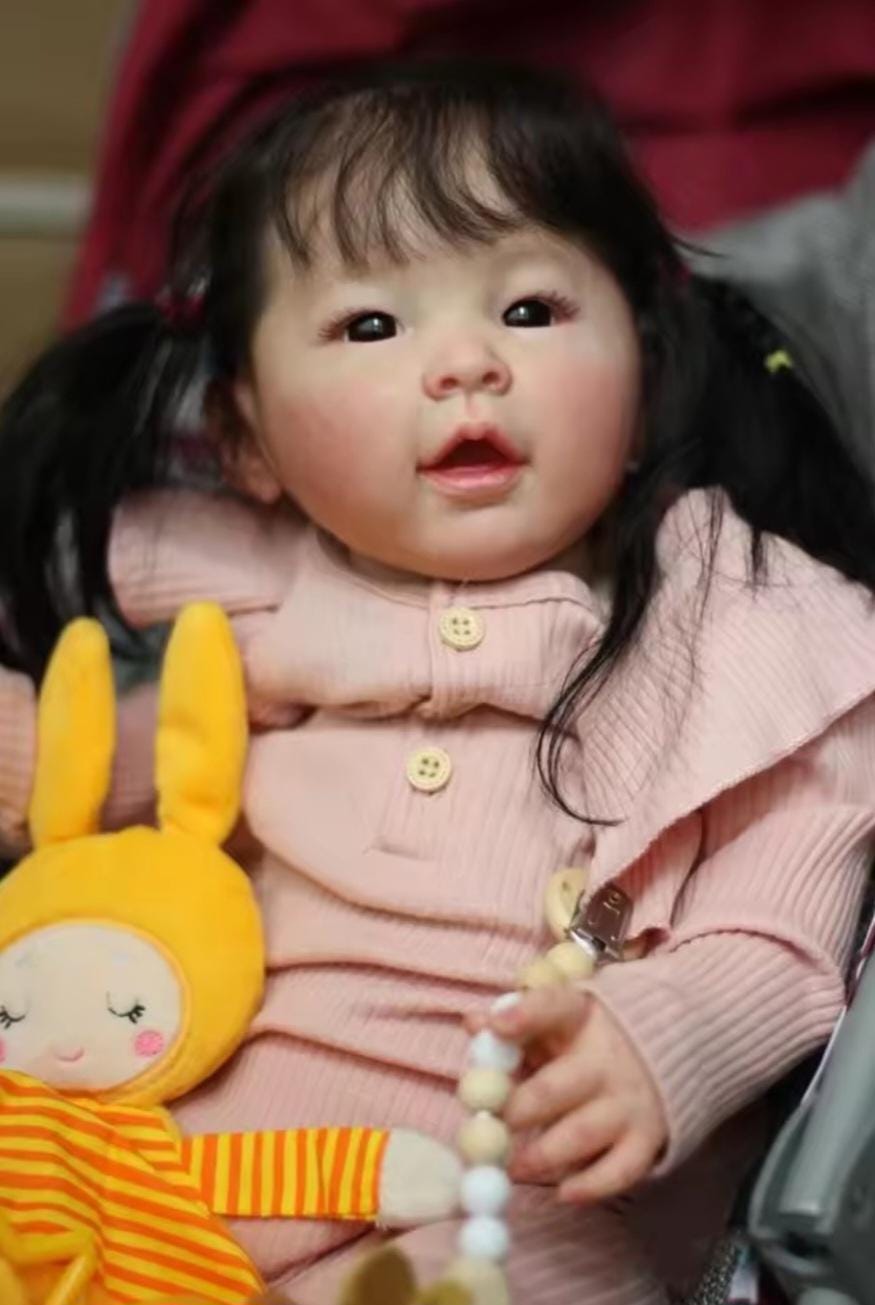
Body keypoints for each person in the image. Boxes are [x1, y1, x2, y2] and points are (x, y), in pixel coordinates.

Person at [2, 59, 875, 1304]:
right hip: (169, 1183)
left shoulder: (749, 626)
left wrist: (663, 1035)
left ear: (640, 379)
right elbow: (99, 780)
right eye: (372, 325)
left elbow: (777, 937)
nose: (466, 363)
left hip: (489, 1201)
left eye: (527, 310)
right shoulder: (251, 603)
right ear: (247, 438)